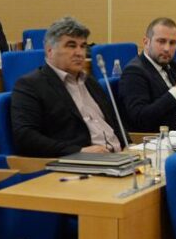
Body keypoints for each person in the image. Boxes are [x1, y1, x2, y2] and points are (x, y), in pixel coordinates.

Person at [11, 16, 126, 157]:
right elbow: (25, 137)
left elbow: (115, 124)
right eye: (71, 46)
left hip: (120, 156)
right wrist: (79, 152)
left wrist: (129, 147)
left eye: (83, 46)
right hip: (81, 162)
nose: (79, 53)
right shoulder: (30, 85)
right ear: (49, 51)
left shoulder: (90, 82)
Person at [119, 17, 176, 132]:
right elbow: (140, 118)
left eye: (172, 43)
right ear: (146, 42)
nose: (167, 48)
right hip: (158, 139)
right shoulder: (134, 72)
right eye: (161, 41)